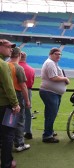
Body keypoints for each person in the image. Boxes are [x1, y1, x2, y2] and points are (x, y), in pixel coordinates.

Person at [39, 48, 70, 143]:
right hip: (50, 92)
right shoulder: (50, 63)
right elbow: (53, 78)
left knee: (50, 113)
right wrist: (65, 79)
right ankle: (47, 135)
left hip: (52, 92)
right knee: (51, 114)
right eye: (56, 54)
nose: (58, 56)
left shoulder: (52, 63)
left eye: (60, 54)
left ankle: (49, 131)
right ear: (51, 54)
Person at [0, 39, 20, 168]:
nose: (11, 50)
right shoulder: (3, 64)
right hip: (4, 105)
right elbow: (9, 87)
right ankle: (7, 164)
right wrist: (15, 104)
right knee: (8, 135)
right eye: (8, 47)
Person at [8, 47, 31, 152]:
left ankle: (7, 142)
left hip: (6, 95)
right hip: (17, 95)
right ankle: (19, 144)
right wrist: (27, 101)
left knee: (8, 120)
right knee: (20, 120)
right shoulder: (18, 68)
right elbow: (23, 86)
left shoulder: (5, 65)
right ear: (19, 55)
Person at [19, 51, 35, 140]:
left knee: (14, 112)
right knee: (27, 111)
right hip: (28, 91)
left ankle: (16, 132)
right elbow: (31, 82)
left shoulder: (13, 67)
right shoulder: (31, 69)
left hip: (16, 90)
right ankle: (28, 131)